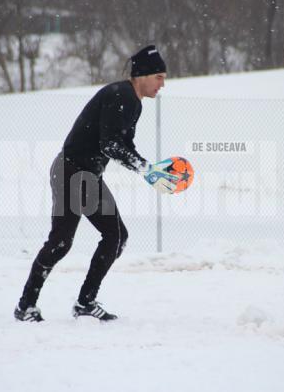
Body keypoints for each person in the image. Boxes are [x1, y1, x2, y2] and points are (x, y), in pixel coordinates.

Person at [14, 45, 179, 322]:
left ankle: (85, 303)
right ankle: (25, 305)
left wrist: (152, 171)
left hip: (88, 176)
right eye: (159, 77)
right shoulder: (121, 95)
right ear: (142, 75)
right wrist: (145, 169)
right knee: (61, 243)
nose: (163, 84)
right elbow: (110, 144)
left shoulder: (133, 101)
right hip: (70, 171)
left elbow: (123, 144)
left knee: (116, 237)